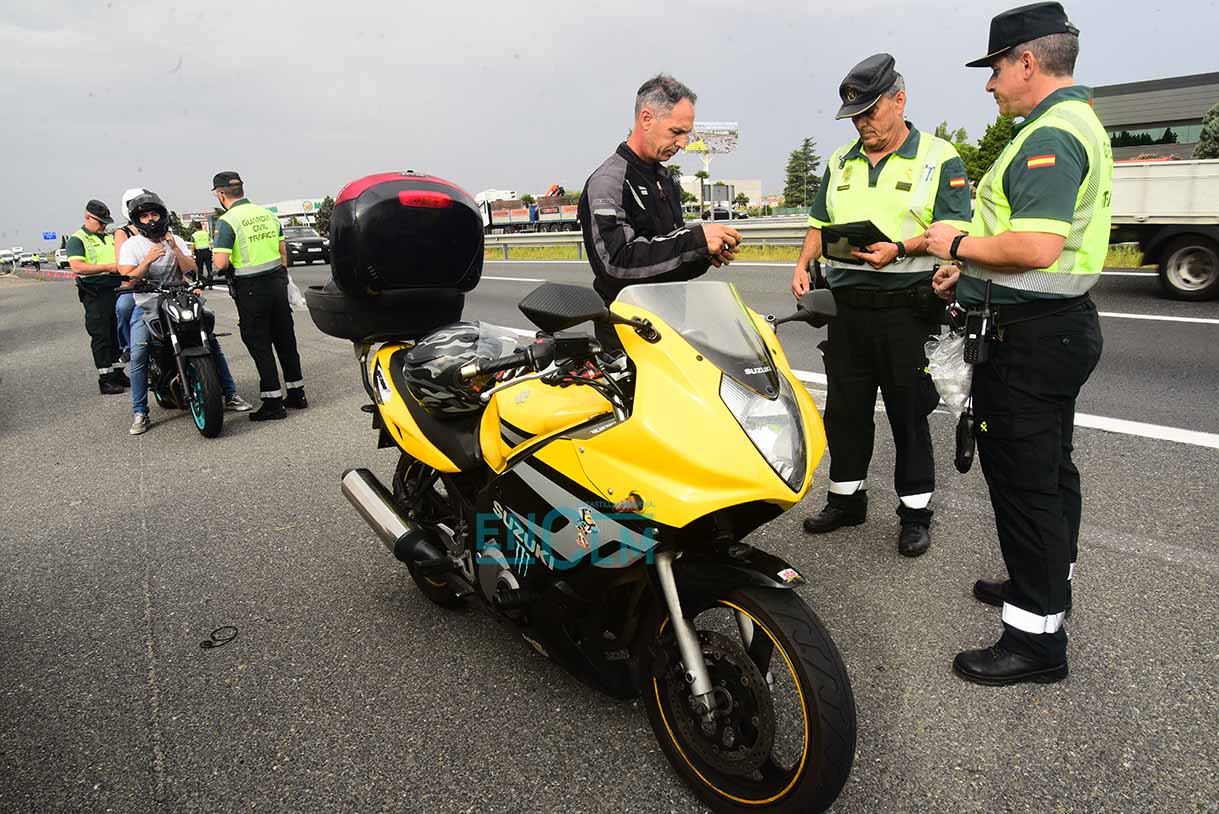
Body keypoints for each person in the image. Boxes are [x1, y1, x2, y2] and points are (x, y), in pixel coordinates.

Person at [924, 2, 1109, 686]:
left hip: (1029, 338)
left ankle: (1034, 639)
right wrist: (971, 272)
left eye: (995, 69)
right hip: (1056, 325)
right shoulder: (1077, 121)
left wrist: (956, 244)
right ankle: (1046, 583)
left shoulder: (1049, 135)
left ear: (1026, 61)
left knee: (1025, 486)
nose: (989, 83)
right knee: (1051, 472)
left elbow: (1034, 246)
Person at [791, 54, 972, 557]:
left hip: (907, 308)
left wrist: (901, 248)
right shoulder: (840, 161)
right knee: (845, 411)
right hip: (847, 309)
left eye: (870, 112)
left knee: (908, 412)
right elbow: (819, 222)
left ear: (899, 101)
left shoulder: (938, 157)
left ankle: (915, 514)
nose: (862, 124)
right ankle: (846, 501)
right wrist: (803, 263)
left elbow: (953, 230)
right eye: (854, 116)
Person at [579, 73, 742, 323]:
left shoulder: (665, 178)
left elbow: (665, 260)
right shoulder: (608, 181)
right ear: (646, 119)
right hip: (628, 328)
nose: (683, 143)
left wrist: (702, 254)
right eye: (676, 132)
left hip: (671, 324)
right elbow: (616, 265)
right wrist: (695, 241)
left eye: (687, 134)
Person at [117, 191, 252, 435]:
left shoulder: (175, 239)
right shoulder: (132, 245)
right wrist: (147, 261)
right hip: (147, 304)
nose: (151, 219)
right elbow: (128, 280)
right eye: (145, 216)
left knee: (209, 339)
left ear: (162, 215)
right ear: (138, 220)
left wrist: (175, 250)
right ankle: (140, 412)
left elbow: (192, 271)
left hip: (179, 298)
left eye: (154, 214)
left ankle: (230, 394)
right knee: (139, 353)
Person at [211, 171, 306, 420]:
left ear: (221, 194)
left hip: (251, 289)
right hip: (277, 282)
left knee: (259, 343)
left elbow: (220, 263)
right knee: (285, 340)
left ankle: (273, 403)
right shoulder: (267, 214)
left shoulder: (228, 221)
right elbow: (283, 253)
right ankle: (297, 394)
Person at [66, 199, 128, 394]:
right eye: (101, 222)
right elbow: (77, 267)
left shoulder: (109, 238)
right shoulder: (77, 239)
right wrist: (108, 267)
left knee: (116, 333)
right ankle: (106, 379)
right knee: (101, 335)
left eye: (106, 223)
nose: (104, 226)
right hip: (95, 292)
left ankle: (118, 372)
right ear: (88, 217)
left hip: (115, 290)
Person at [115, 188, 152, 364]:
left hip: (162, 282)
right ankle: (128, 346)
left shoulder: (160, 225)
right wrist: (146, 261)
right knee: (124, 306)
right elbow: (122, 266)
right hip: (136, 284)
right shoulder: (123, 232)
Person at [190, 220, 214, 287]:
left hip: (199, 253)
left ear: (195, 227)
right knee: (209, 268)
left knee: (200, 269)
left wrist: (192, 254)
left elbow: (193, 245)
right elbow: (210, 243)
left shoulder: (194, 235)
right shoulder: (206, 234)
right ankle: (210, 284)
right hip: (207, 252)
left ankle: (202, 284)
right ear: (201, 226)